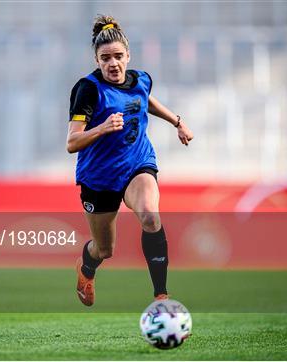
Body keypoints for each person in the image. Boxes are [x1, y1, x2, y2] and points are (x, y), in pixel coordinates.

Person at [67, 15, 194, 306]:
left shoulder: (141, 79)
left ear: (128, 55)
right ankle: (86, 268)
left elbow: (144, 98)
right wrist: (102, 128)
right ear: (96, 60)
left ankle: (161, 295)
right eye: (105, 58)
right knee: (104, 249)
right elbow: (72, 143)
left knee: (151, 215)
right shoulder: (88, 89)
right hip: (99, 177)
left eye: (118, 56)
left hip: (137, 163)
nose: (113, 63)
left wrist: (177, 121)